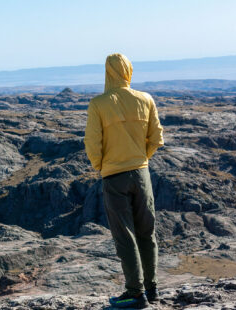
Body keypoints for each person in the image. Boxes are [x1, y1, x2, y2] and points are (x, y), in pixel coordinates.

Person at [84, 53, 164, 309]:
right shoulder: (146, 99)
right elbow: (156, 138)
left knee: (125, 236)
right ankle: (152, 290)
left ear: (107, 73)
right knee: (146, 232)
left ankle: (135, 293)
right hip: (142, 174)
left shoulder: (99, 104)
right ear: (129, 71)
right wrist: (141, 158)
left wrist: (102, 167)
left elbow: (92, 143)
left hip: (114, 177)